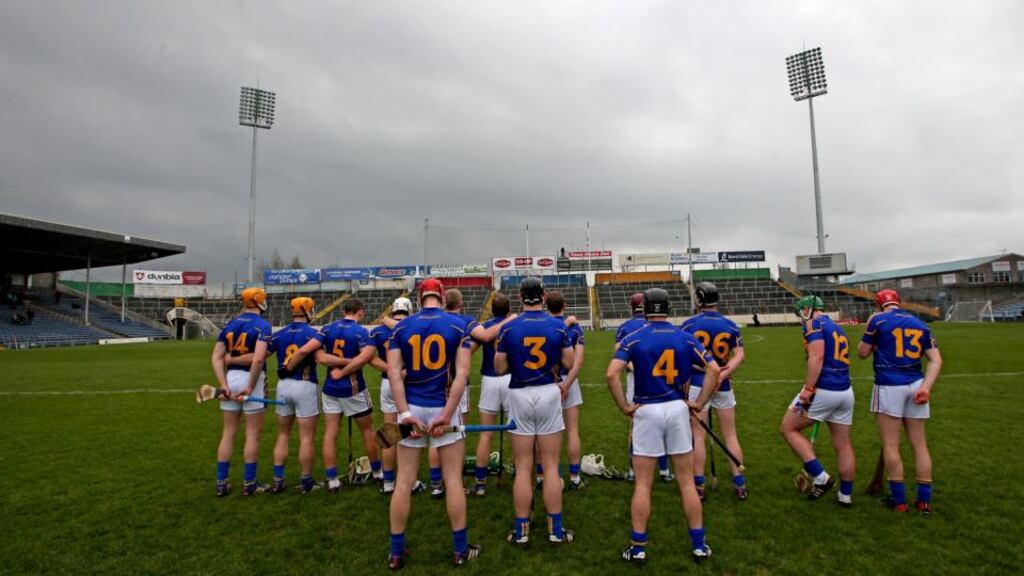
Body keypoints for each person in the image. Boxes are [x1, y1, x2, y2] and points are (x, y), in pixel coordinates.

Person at [606, 288, 718, 563]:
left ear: (645, 309)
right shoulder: (685, 337)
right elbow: (714, 369)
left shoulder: (633, 338)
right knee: (687, 483)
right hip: (678, 408)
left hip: (647, 409)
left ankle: (639, 547)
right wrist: (700, 402)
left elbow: (611, 374)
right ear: (668, 307)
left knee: (643, 484)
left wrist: (624, 407)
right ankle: (699, 545)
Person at [386, 278, 479, 569]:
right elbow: (462, 375)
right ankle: (460, 550)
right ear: (441, 296)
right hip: (442, 406)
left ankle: (396, 553)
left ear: (419, 296)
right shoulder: (457, 324)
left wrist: (403, 413)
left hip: (412, 406)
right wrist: (448, 413)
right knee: (453, 479)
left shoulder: (401, 326)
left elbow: (393, 374)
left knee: (403, 481)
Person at [496, 276, 576, 547]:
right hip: (548, 392)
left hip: (519, 392)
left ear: (520, 297)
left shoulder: (509, 328)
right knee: (551, 467)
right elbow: (568, 361)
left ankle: (522, 531)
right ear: (543, 297)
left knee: (522, 467)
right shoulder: (557, 326)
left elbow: (498, 367)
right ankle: (556, 530)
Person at [858, 289, 942, 515]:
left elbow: (862, 353)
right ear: (899, 303)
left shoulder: (877, 320)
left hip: (888, 385)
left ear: (878, 305)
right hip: (916, 384)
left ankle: (899, 501)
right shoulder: (919, 323)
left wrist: (872, 334)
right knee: (920, 445)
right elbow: (936, 359)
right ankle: (924, 501)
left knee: (891, 445)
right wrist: (926, 387)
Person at [286, 298, 381, 493]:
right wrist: (347, 366)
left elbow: (310, 352)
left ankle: (332, 479)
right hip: (353, 387)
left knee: (330, 433)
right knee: (367, 430)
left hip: (330, 387)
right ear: (360, 312)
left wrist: (288, 367)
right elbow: (365, 359)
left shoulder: (327, 329)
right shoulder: (361, 332)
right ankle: (379, 472)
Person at [780, 295, 856, 505]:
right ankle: (845, 495)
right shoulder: (837, 327)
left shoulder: (813, 323)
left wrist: (808, 389)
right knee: (843, 444)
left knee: (788, 428)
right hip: (845, 391)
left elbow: (817, 356)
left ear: (807, 310)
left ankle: (820, 477)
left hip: (823, 389)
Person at [246, 297, 321, 494]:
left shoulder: (280, 334)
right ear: (306, 310)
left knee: (283, 435)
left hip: (283, 386)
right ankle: (306, 482)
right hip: (305, 385)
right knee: (306, 437)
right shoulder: (313, 334)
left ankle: (278, 480)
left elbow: (260, 356)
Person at [681, 282, 748, 500]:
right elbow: (739, 355)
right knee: (730, 434)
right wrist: (724, 372)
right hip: (724, 384)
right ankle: (739, 483)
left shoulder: (689, 324)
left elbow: (684, 358)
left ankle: (699, 486)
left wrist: (709, 371)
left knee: (698, 436)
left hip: (699, 384)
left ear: (699, 299)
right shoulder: (729, 325)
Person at [210, 287, 273, 497]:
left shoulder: (230, 325)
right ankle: (250, 484)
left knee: (228, 432)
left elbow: (217, 357)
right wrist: (250, 385)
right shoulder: (263, 325)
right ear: (259, 301)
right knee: (252, 434)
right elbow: (258, 358)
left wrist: (223, 384)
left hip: (230, 378)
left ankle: (221, 483)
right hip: (251, 379)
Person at [370, 297, 426, 496]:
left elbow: (370, 357)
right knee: (406, 435)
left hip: (387, 382)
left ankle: (388, 482)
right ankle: (408, 481)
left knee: (389, 432)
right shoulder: (412, 327)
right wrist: (400, 373)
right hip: (405, 383)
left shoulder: (378, 330)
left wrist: (390, 371)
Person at [616, 293, 672, 482]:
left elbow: (619, 356)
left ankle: (633, 471)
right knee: (665, 421)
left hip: (636, 380)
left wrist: (637, 368)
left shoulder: (624, 327)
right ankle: (664, 471)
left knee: (637, 424)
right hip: (663, 378)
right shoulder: (662, 326)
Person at [469, 292, 514, 497]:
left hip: (489, 379)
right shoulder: (515, 323)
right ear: (509, 309)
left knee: (486, 434)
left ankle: (480, 482)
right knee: (517, 432)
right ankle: (522, 474)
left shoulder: (485, 326)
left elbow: (470, 349)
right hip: (511, 379)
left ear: (491, 310)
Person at [545, 290, 586, 490]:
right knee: (572, 431)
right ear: (564, 305)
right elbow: (577, 363)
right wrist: (567, 384)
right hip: (568, 381)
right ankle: (574, 476)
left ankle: (542, 474)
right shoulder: (575, 328)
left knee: (545, 433)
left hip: (547, 383)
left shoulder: (542, 325)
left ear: (546, 306)